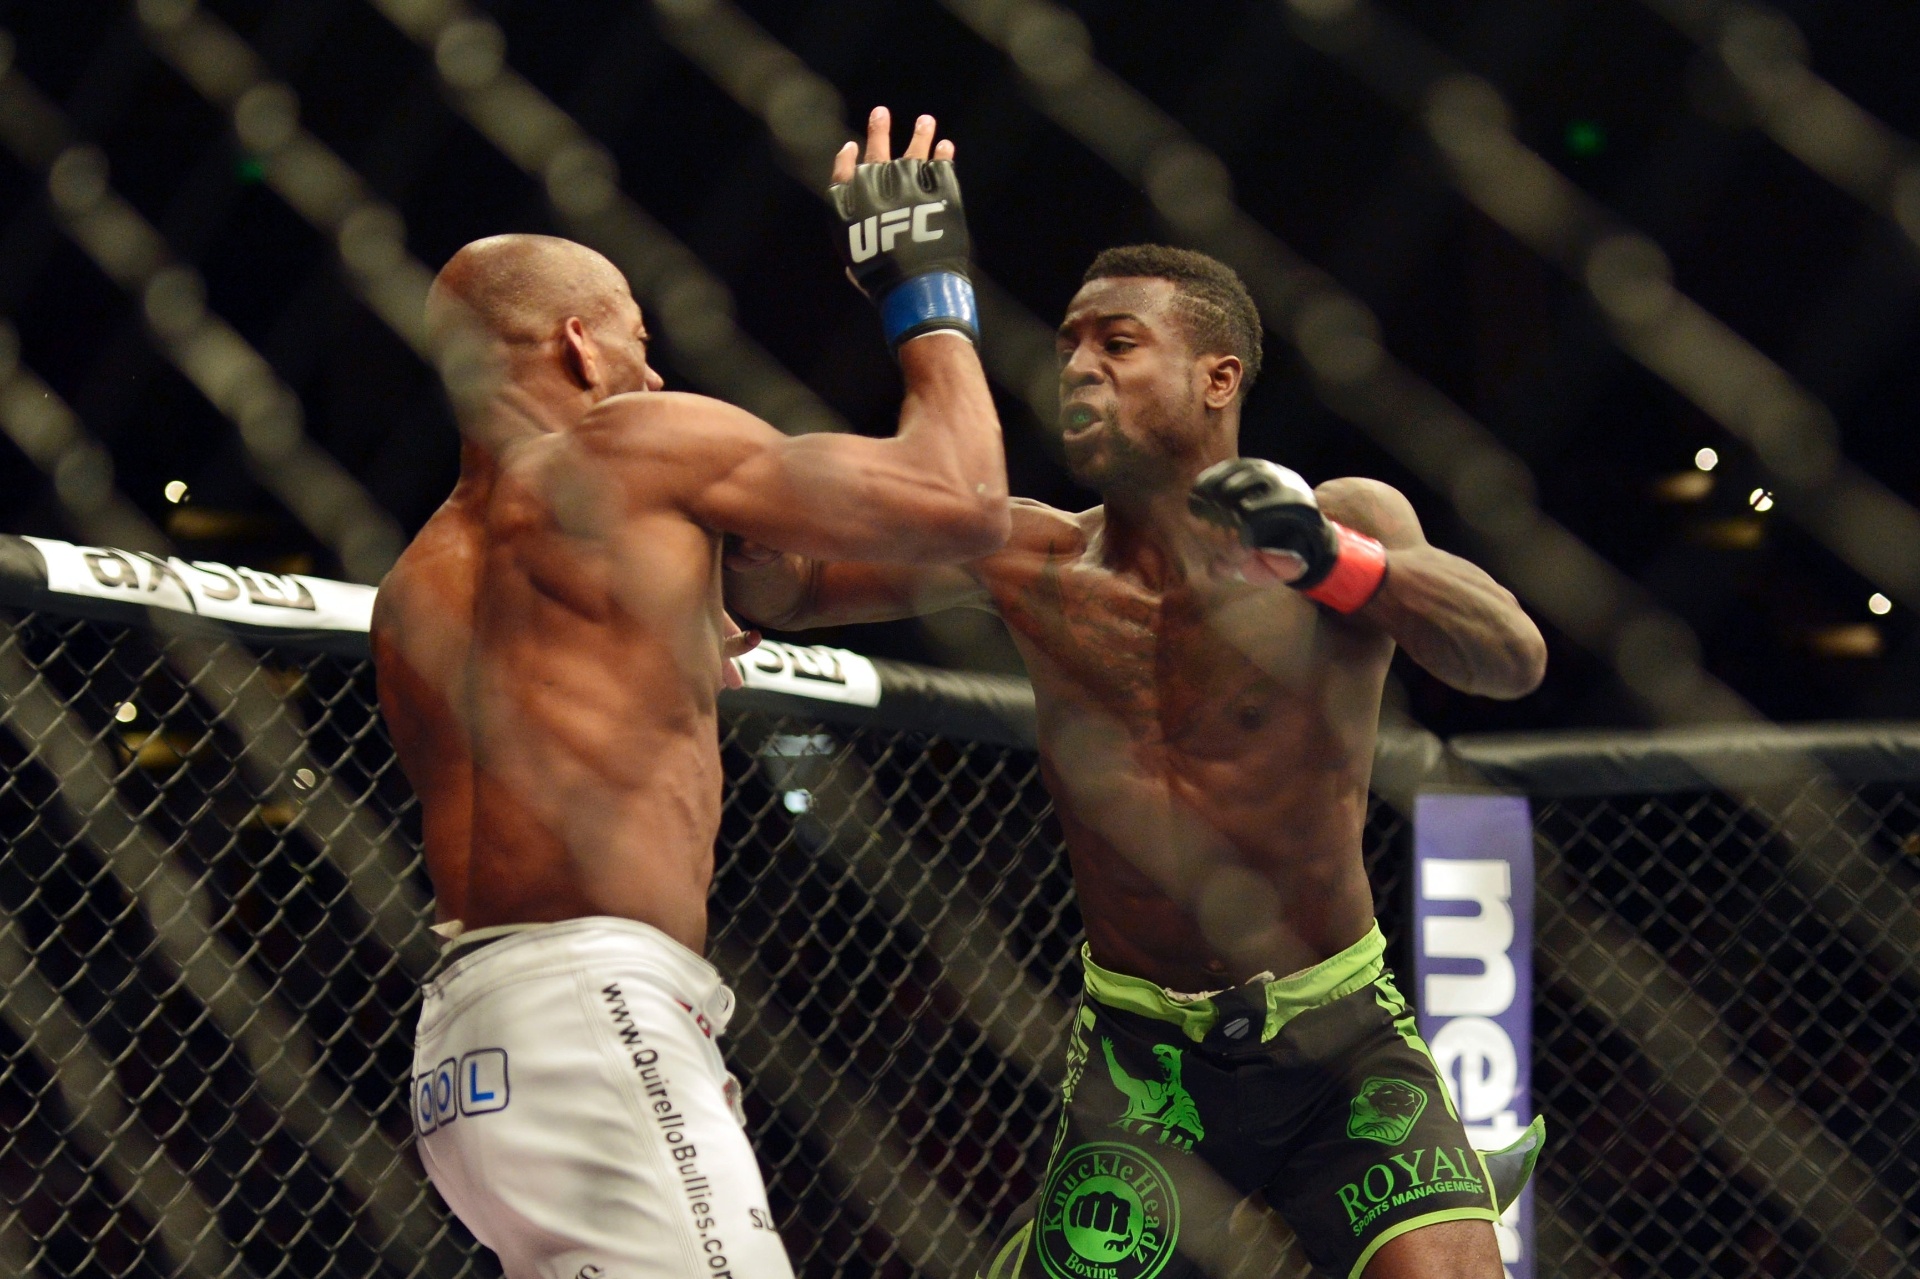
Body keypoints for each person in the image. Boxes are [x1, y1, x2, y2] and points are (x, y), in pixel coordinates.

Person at [724, 245, 1549, 1279]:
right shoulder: (1029, 556)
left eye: (1117, 343)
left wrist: (1336, 564)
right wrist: (720, 499)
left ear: (1219, 378)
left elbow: (1509, 657)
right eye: (1069, 344)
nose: (1077, 365)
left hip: (1339, 1037)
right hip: (1140, 1054)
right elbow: (784, 591)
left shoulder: (1346, 522)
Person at [372, 108, 1007, 1279]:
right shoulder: (628, 444)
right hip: (592, 1010)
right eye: (637, 340)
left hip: (464, 1053)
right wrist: (927, 287)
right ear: (577, 346)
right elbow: (961, 497)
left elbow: (885, 563)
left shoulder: (415, 579)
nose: (653, 370)